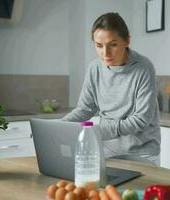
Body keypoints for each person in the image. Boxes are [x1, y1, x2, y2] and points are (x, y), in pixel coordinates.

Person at [63, 12, 160, 165]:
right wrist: (59, 126)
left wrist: (96, 132)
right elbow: (85, 109)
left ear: (127, 41)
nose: (105, 53)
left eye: (113, 44)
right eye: (99, 46)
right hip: (106, 151)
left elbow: (141, 120)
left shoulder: (143, 68)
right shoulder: (95, 67)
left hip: (141, 154)